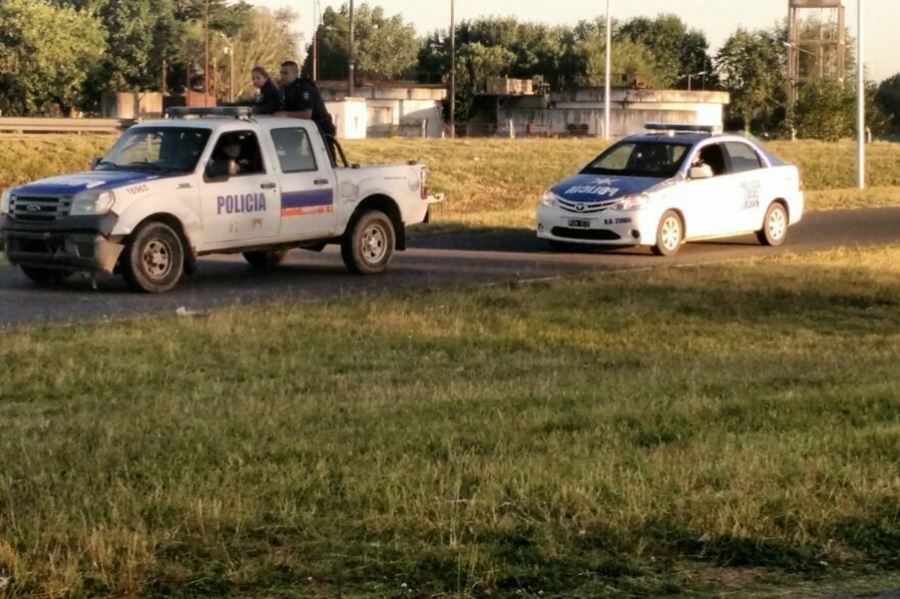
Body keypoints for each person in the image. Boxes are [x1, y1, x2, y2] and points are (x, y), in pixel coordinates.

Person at [276, 60, 338, 163]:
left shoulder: (305, 88)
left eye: (286, 73)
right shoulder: (287, 89)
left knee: (326, 160)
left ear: (295, 73)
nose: (282, 76)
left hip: (321, 127)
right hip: (305, 128)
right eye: (281, 73)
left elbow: (307, 114)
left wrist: (286, 114)